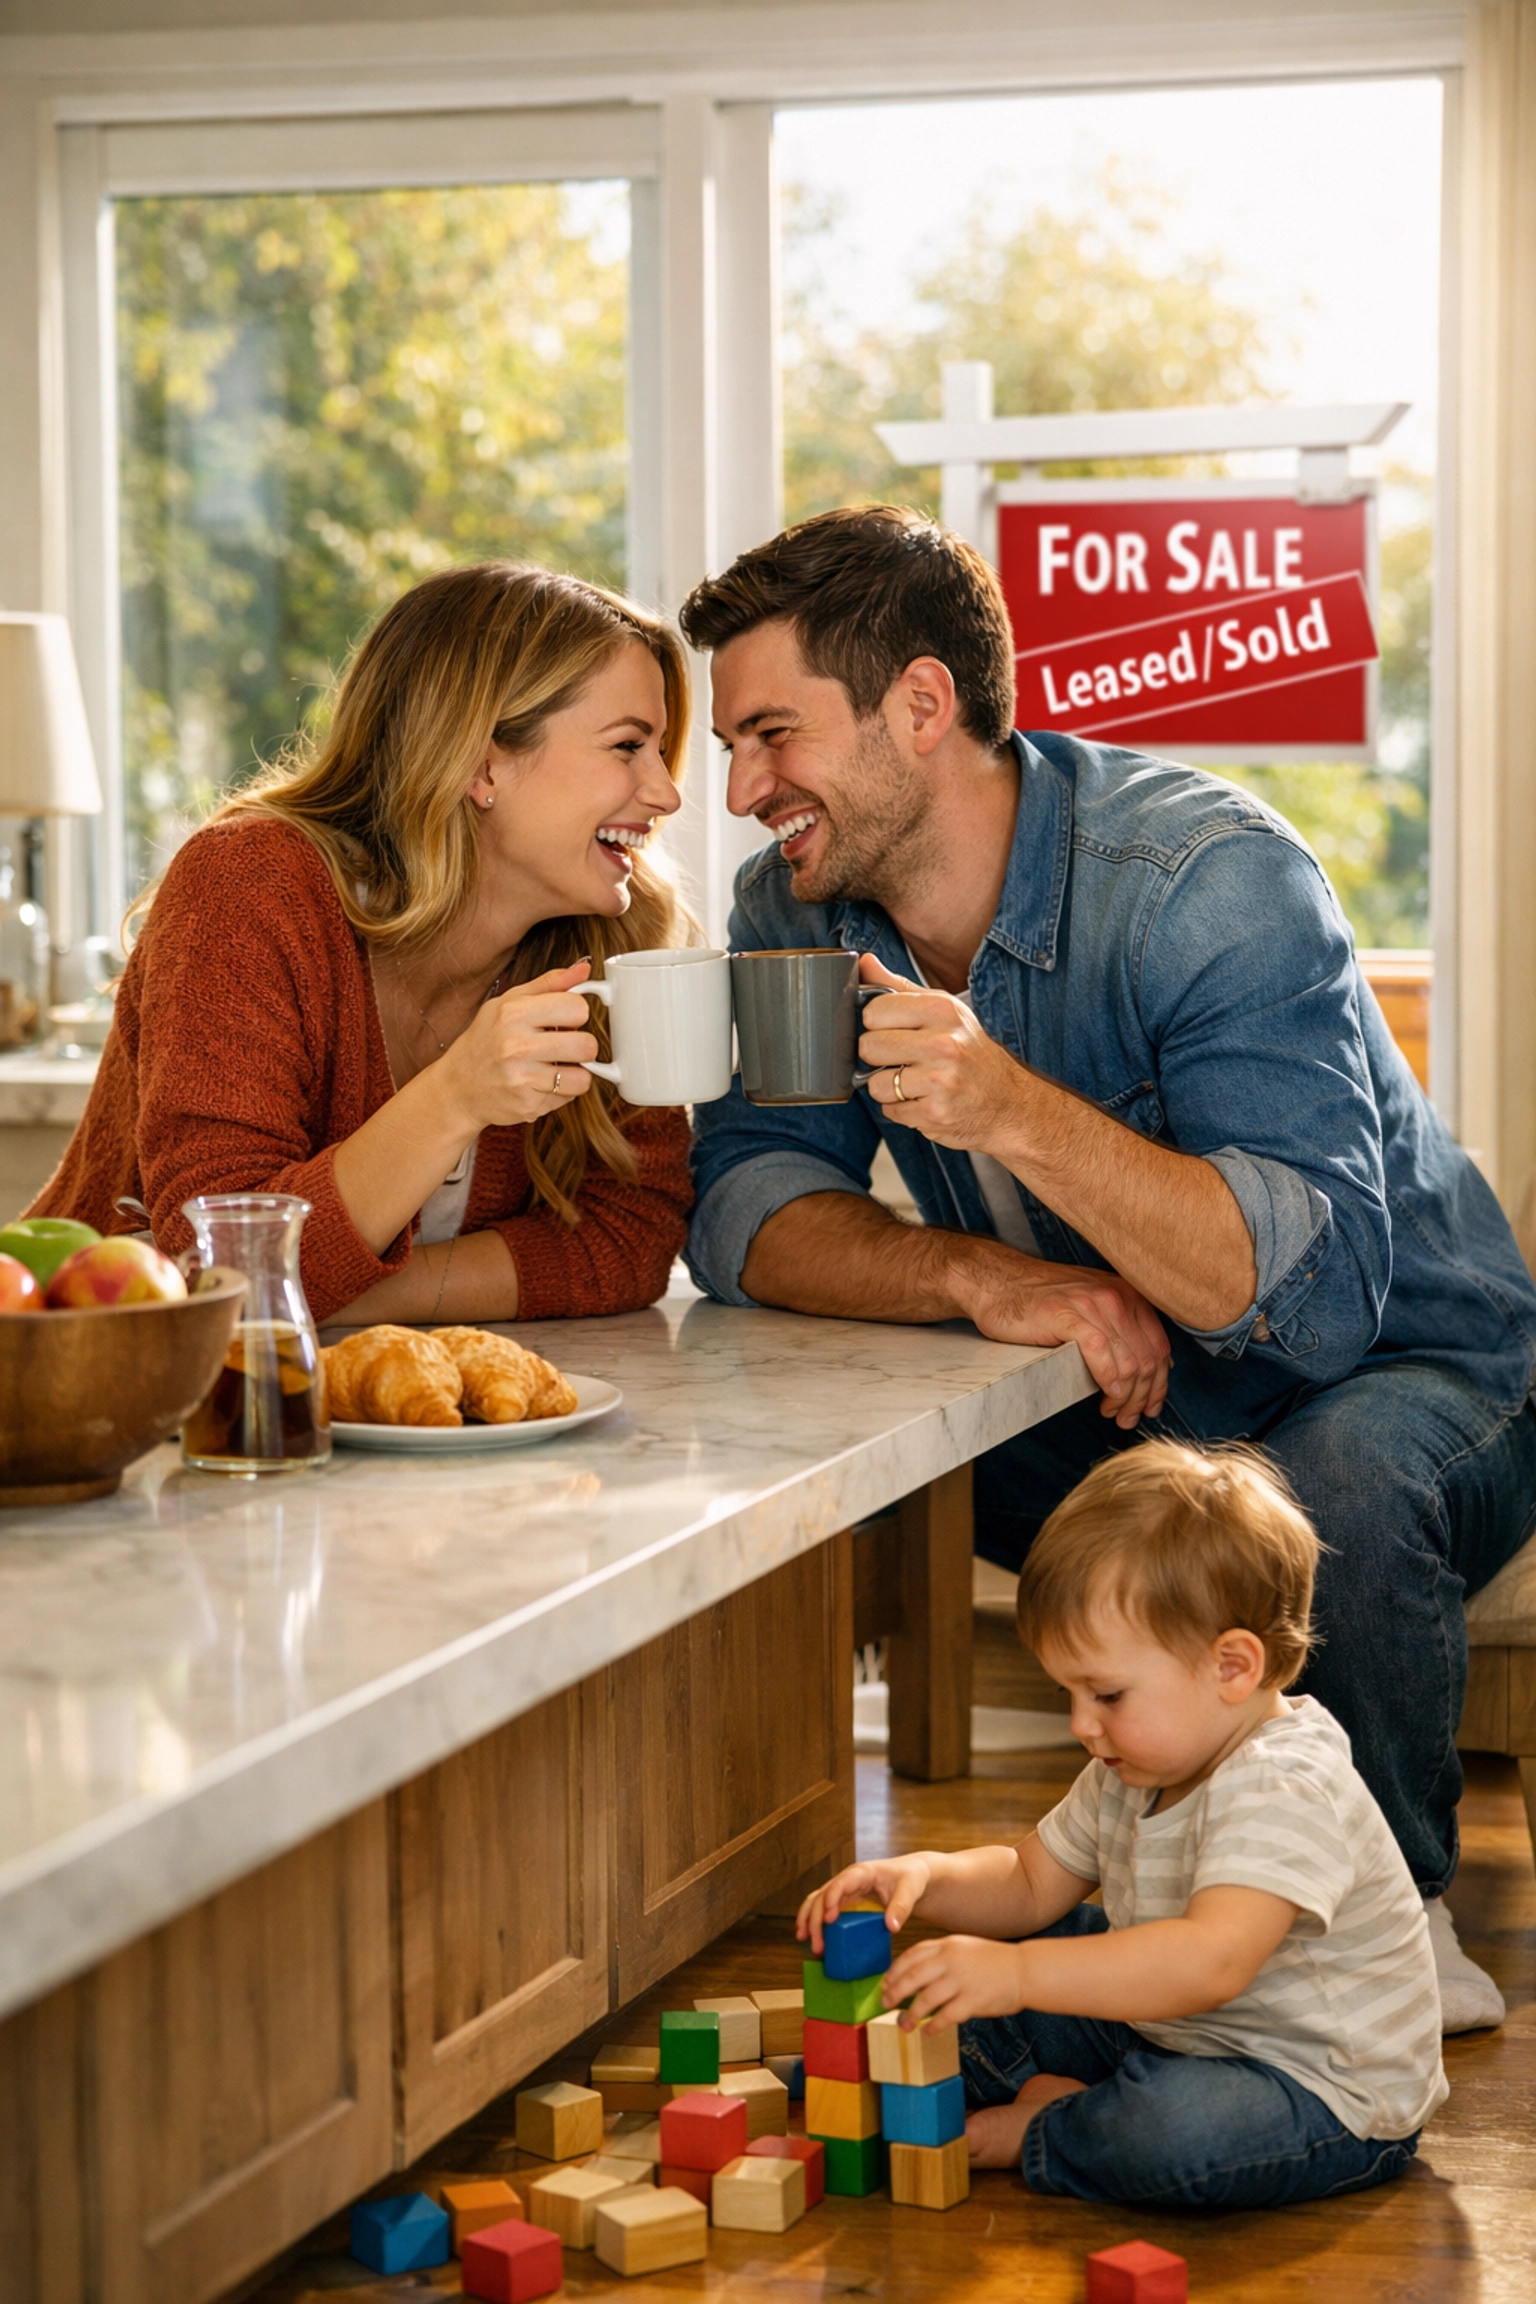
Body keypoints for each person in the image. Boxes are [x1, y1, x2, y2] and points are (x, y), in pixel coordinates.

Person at [680, 504, 1536, 2029]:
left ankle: (1385, 1924)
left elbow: (1314, 1306)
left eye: (771, 735)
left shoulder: (1205, 878)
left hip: (1423, 1369)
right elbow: (749, 1209)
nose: (743, 791)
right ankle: (1112, 1890)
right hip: (1145, 1386)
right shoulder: (793, 912)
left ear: (922, 708)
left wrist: (1007, 1104)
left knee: (1324, 1483)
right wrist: (987, 1280)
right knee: (895, 1450)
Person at [32, 561, 695, 1324]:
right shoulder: (248, 886)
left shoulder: (611, 937)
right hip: (110, 1400)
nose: (666, 792)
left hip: (419, 1415)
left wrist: (332, 1294)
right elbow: (218, 1262)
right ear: (484, 764)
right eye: (626, 746)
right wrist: (455, 1098)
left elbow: (628, 1241)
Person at [799, 1441, 1446, 2210]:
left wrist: (1015, 1977)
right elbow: (1030, 1881)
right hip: (1167, 2030)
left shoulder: (1285, 1783)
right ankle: (994, 2080)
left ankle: (1052, 2127)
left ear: (1232, 1667)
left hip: (1315, 2087)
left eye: (1106, 1695)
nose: (1081, 1723)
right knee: (983, 1984)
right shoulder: (1136, 1765)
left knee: (1176, 2130)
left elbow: (1210, 1964)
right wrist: (925, 1875)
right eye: (1069, 1693)